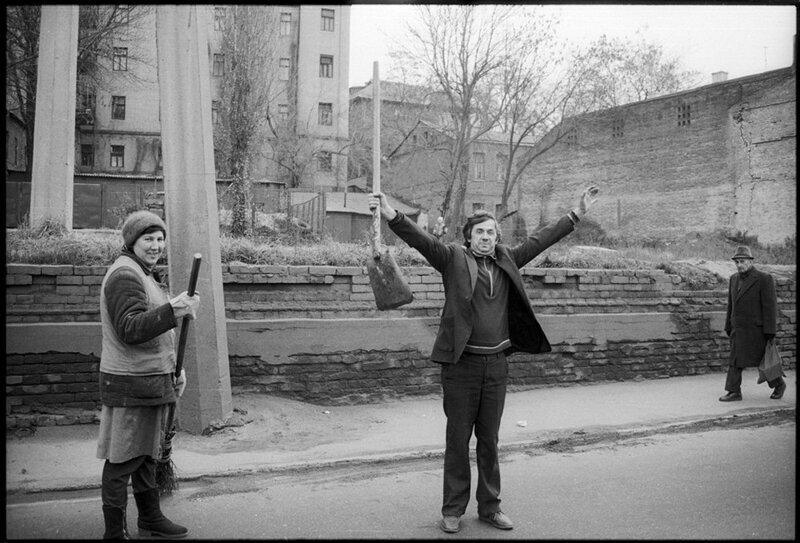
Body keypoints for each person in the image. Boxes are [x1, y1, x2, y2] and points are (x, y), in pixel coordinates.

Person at [369, 186, 599, 534]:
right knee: (458, 440)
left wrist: (576, 214)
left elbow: (540, 241)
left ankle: (490, 507)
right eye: (480, 232)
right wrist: (391, 215)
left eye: (491, 232)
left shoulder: (508, 258)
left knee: (489, 440)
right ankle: (452, 510)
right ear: (468, 237)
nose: (486, 238)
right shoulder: (452, 259)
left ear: (497, 237)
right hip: (461, 366)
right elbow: (421, 240)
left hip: (496, 366)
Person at [97, 210, 200, 539]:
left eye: (160, 239)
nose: (157, 246)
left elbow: (155, 332)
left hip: (151, 379)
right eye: (148, 239)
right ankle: (114, 532)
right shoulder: (125, 276)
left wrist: (175, 368)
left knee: (146, 456)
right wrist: (174, 310)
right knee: (123, 458)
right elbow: (130, 329)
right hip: (131, 384)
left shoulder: (144, 274)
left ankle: (149, 518)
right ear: (132, 241)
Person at [719, 245, 785, 402]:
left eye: (743, 261)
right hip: (738, 330)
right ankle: (734, 391)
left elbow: (770, 307)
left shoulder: (763, 279)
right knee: (734, 361)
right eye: (737, 262)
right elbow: (731, 305)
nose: (740, 265)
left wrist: (770, 331)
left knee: (765, 361)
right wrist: (728, 324)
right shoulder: (734, 279)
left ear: (750, 261)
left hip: (757, 331)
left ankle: (779, 384)